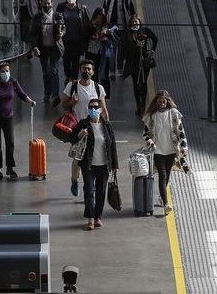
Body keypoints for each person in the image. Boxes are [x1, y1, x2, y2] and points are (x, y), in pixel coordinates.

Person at [0, 61, 36, 180]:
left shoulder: (13, 82)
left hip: (8, 117)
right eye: (3, 71)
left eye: (7, 71)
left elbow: (22, 94)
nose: (5, 73)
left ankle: (10, 167)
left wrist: (30, 101)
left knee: (10, 143)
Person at [70, 98, 118, 230]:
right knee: (89, 191)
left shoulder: (107, 126)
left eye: (96, 107)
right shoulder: (83, 124)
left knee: (101, 192)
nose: (93, 110)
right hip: (88, 165)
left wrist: (115, 165)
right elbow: (72, 139)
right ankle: (90, 218)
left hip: (104, 165)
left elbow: (112, 145)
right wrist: (79, 135)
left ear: (101, 110)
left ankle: (97, 217)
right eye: (91, 107)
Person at [62, 59, 108, 197]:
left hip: (95, 128)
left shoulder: (98, 88)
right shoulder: (72, 86)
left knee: (92, 159)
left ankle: (89, 188)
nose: (86, 71)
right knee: (78, 159)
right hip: (78, 128)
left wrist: (107, 126)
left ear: (93, 72)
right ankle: (75, 180)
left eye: (89, 69)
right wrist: (72, 101)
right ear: (80, 70)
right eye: (84, 68)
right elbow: (64, 104)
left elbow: (103, 108)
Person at [142, 90, 190, 214]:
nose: (161, 104)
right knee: (162, 176)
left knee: (167, 175)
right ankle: (166, 204)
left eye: (164, 101)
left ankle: (162, 198)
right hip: (158, 151)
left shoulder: (174, 114)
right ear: (156, 102)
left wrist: (184, 146)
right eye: (159, 102)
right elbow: (145, 133)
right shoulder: (151, 116)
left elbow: (181, 132)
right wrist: (150, 142)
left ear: (167, 101)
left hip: (171, 150)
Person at [29, 0, 65, 106]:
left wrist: (61, 33)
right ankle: (47, 93)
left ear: (52, 3)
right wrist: (34, 46)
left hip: (55, 48)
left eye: (49, 3)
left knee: (53, 71)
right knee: (45, 72)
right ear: (41, 3)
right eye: (45, 3)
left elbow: (63, 29)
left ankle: (55, 94)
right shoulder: (37, 17)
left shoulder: (58, 16)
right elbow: (33, 34)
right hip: (43, 49)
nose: (47, 5)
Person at [122, 14, 158, 115]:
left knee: (144, 81)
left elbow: (155, 38)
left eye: (136, 22)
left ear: (139, 23)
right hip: (133, 62)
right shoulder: (127, 33)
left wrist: (152, 51)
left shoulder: (145, 30)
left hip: (144, 60)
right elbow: (124, 48)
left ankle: (143, 104)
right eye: (133, 22)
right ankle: (138, 104)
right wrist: (135, 45)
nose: (135, 24)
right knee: (136, 83)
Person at [56, 0, 91, 82]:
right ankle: (68, 76)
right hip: (65, 40)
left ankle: (74, 78)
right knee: (66, 59)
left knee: (75, 61)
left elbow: (87, 23)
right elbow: (56, 20)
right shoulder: (61, 7)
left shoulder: (81, 8)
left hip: (77, 40)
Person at [102, 0, 136, 75]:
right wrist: (105, 26)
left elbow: (133, 13)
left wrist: (132, 24)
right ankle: (112, 71)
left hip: (124, 29)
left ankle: (120, 69)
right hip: (112, 29)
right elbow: (104, 12)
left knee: (121, 50)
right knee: (112, 50)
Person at [85, 8, 113, 95]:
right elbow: (85, 36)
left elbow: (111, 38)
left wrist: (106, 36)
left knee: (104, 73)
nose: (99, 20)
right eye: (98, 17)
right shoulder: (90, 25)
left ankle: (104, 94)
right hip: (92, 52)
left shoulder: (106, 26)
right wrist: (92, 36)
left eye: (101, 18)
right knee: (93, 73)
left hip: (103, 53)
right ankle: (93, 91)